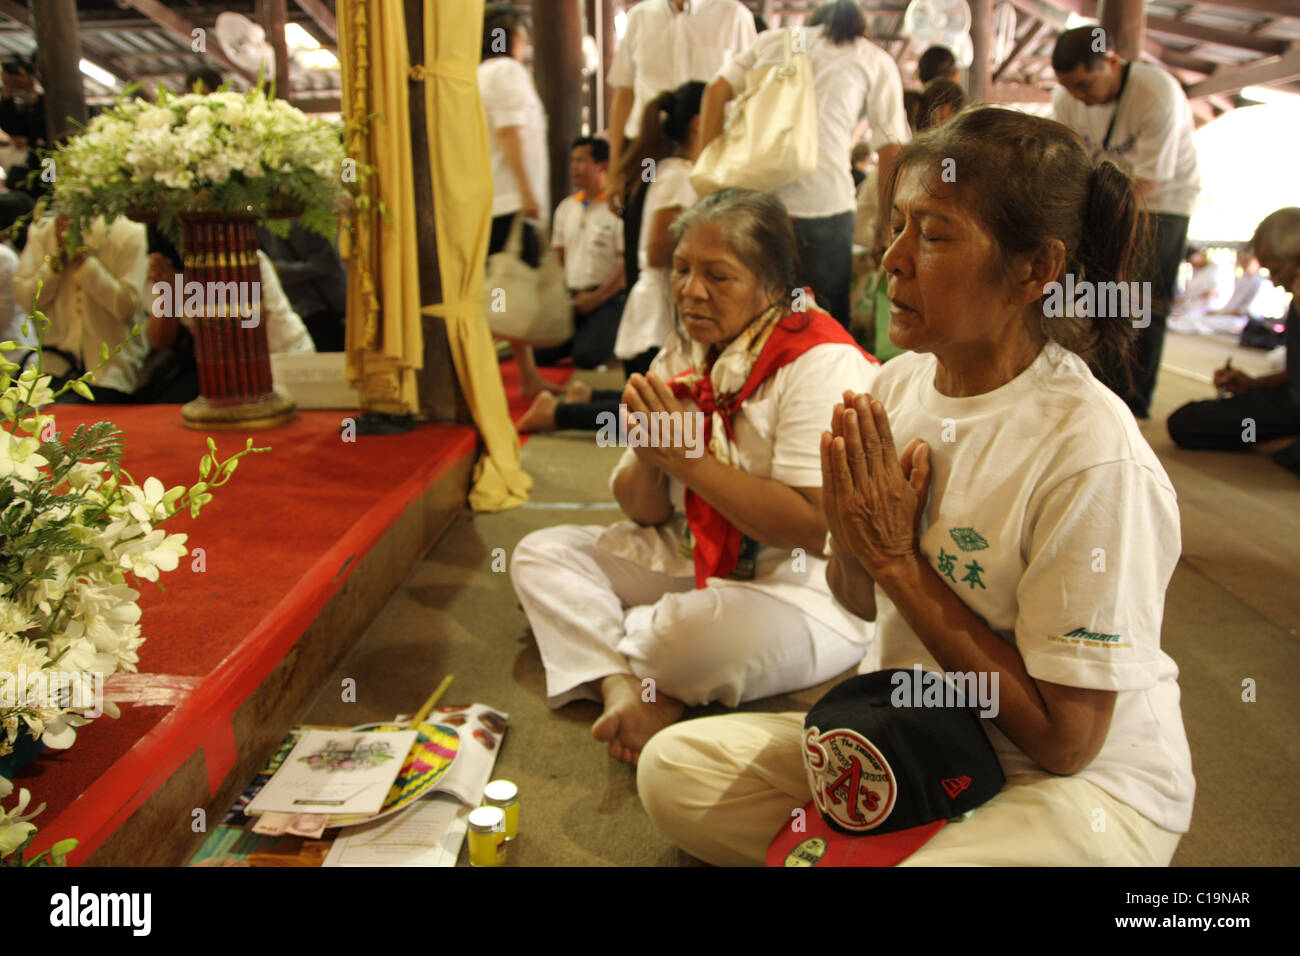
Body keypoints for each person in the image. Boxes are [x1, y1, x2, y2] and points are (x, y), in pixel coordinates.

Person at [638, 107, 1195, 866]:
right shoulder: (897, 388)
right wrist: (856, 541)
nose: (892, 257)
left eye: (932, 235)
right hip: (915, 742)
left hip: (1067, 786)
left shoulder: (1090, 455)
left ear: (1036, 270)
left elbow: (1067, 742)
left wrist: (900, 560)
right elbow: (857, 600)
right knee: (674, 773)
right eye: (897, 226)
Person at [510, 189, 880, 765]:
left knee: (682, 642)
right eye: (681, 269)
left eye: (718, 275)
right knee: (540, 554)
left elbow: (813, 526)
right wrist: (653, 457)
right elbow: (645, 513)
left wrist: (689, 462)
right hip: (693, 554)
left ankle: (610, 637)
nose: (689, 290)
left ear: (774, 284)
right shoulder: (680, 356)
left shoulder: (821, 361)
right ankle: (619, 683)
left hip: (801, 584)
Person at [701, 0, 910, 329]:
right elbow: (890, 148)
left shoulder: (776, 41)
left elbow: (715, 92)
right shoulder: (872, 58)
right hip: (825, 207)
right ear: (860, 25)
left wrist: (709, 170)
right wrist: (887, 225)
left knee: (753, 322)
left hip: (757, 205)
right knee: (823, 325)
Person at [519, 82, 705, 435]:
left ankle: (586, 395)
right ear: (697, 122)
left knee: (663, 406)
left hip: (650, 305)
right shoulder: (679, 175)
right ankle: (557, 415)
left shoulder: (670, 171)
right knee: (664, 421)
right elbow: (655, 250)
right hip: (657, 311)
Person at [1052, 25, 1200, 420]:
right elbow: (1069, 161)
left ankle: (1133, 399)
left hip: (1162, 202)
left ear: (1112, 62)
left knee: (1144, 300)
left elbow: (1150, 178)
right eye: (1069, 88)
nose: (1077, 96)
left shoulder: (1157, 94)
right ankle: (1099, 386)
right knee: (1097, 291)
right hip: (1104, 200)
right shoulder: (1067, 99)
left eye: (1084, 84)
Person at [1167, 207, 1300, 476]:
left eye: (1276, 270)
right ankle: (1266, 440)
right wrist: (1254, 384)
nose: (1274, 282)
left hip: (1291, 412)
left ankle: (1280, 446)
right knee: (1187, 422)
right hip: (1287, 407)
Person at [478, 5, 555, 399]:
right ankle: (492, 378)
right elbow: (510, 133)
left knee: (503, 290)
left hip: (493, 198)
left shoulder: (477, 75)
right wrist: (528, 193)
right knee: (504, 291)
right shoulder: (506, 72)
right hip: (508, 198)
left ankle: (525, 375)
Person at [606, 0, 756, 171]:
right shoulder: (639, 17)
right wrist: (614, 167)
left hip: (707, 149)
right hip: (649, 152)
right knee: (648, 194)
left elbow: (751, 91)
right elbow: (625, 94)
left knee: (700, 196)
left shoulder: (735, 15)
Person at [15, 213, 149, 402]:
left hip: (111, 374)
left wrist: (82, 260)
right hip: (53, 368)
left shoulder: (129, 230)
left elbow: (124, 307)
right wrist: (56, 260)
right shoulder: (42, 231)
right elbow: (28, 302)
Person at [533, 137, 626, 371]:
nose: (574, 167)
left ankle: (600, 338)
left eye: (581, 161)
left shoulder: (617, 209)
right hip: (573, 299)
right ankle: (584, 335)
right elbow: (559, 259)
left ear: (602, 166)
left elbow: (625, 267)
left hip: (607, 299)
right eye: (573, 161)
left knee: (587, 357)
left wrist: (596, 298)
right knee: (538, 354)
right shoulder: (566, 208)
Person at [259, 222, 348, 352]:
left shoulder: (309, 217)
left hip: (324, 311)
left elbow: (330, 261)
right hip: (293, 314)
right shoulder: (259, 226)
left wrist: (281, 270)